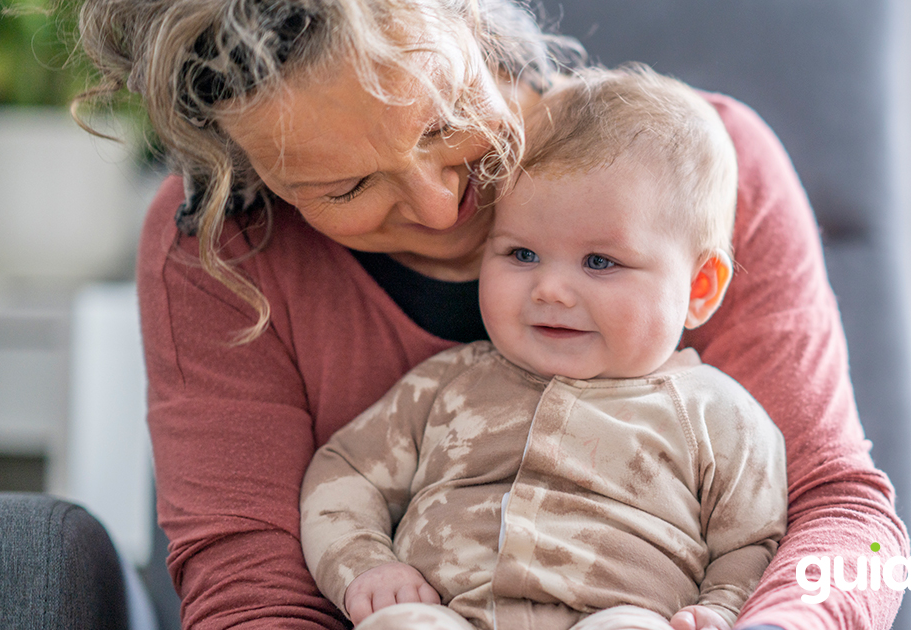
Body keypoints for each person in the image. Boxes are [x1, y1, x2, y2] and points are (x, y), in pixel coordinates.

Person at [75, 0, 908, 628]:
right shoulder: (220, 247)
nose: (442, 211)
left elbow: (844, 514)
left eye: (445, 125)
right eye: (344, 188)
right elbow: (252, 585)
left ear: (475, 21)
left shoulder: (697, 175)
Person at [299, 66, 788, 630]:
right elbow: (346, 473)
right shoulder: (446, 385)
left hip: (621, 615)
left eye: (600, 262)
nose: (550, 290)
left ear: (698, 288)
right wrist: (364, 567)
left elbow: (753, 541)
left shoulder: (718, 415)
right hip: (448, 615)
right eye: (521, 254)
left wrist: (721, 610)